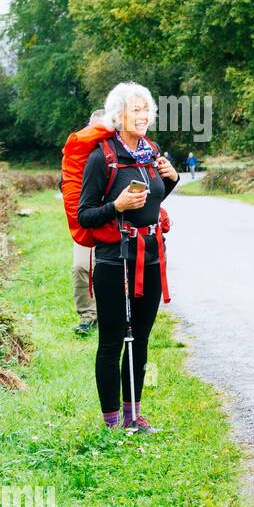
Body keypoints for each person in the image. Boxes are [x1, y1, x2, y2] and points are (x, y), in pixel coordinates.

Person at [76, 82, 178, 432]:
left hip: (150, 257)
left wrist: (173, 179)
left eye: (146, 109)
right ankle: (111, 423)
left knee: (142, 336)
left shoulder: (151, 153)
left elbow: (153, 203)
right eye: (136, 110)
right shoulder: (101, 157)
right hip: (113, 259)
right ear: (118, 115)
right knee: (112, 340)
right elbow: (84, 214)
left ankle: (134, 415)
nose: (144, 115)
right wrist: (116, 206)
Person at [72, 109, 107, 336]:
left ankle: (117, 314)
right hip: (88, 220)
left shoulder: (115, 154)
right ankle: (87, 316)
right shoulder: (78, 158)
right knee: (81, 267)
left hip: (113, 218)